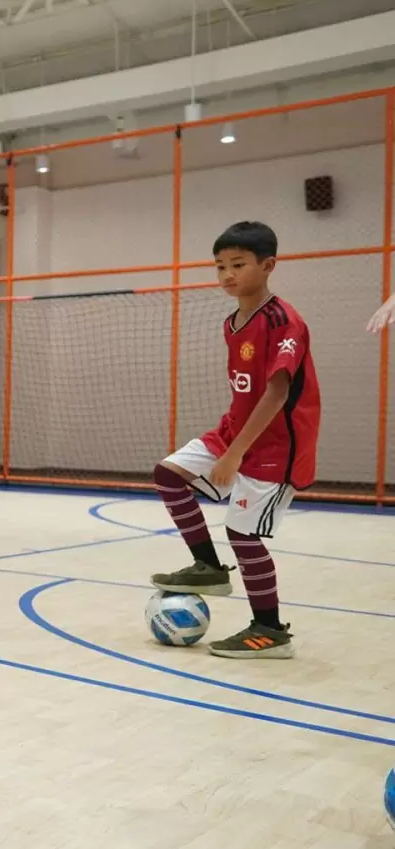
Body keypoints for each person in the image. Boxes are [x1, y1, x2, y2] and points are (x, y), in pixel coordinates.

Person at [149, 221, 320, 659]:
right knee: (169, 474)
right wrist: (228, 443)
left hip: (276, 445)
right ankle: (208, 567)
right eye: (220, 266)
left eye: (238, 265)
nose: (227, 274)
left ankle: (269, 631)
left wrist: (235, 453)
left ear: (268, 266)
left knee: (243, 535)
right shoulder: (233, 322)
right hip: (234, 430)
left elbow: (278, 392)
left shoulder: (284, 320)